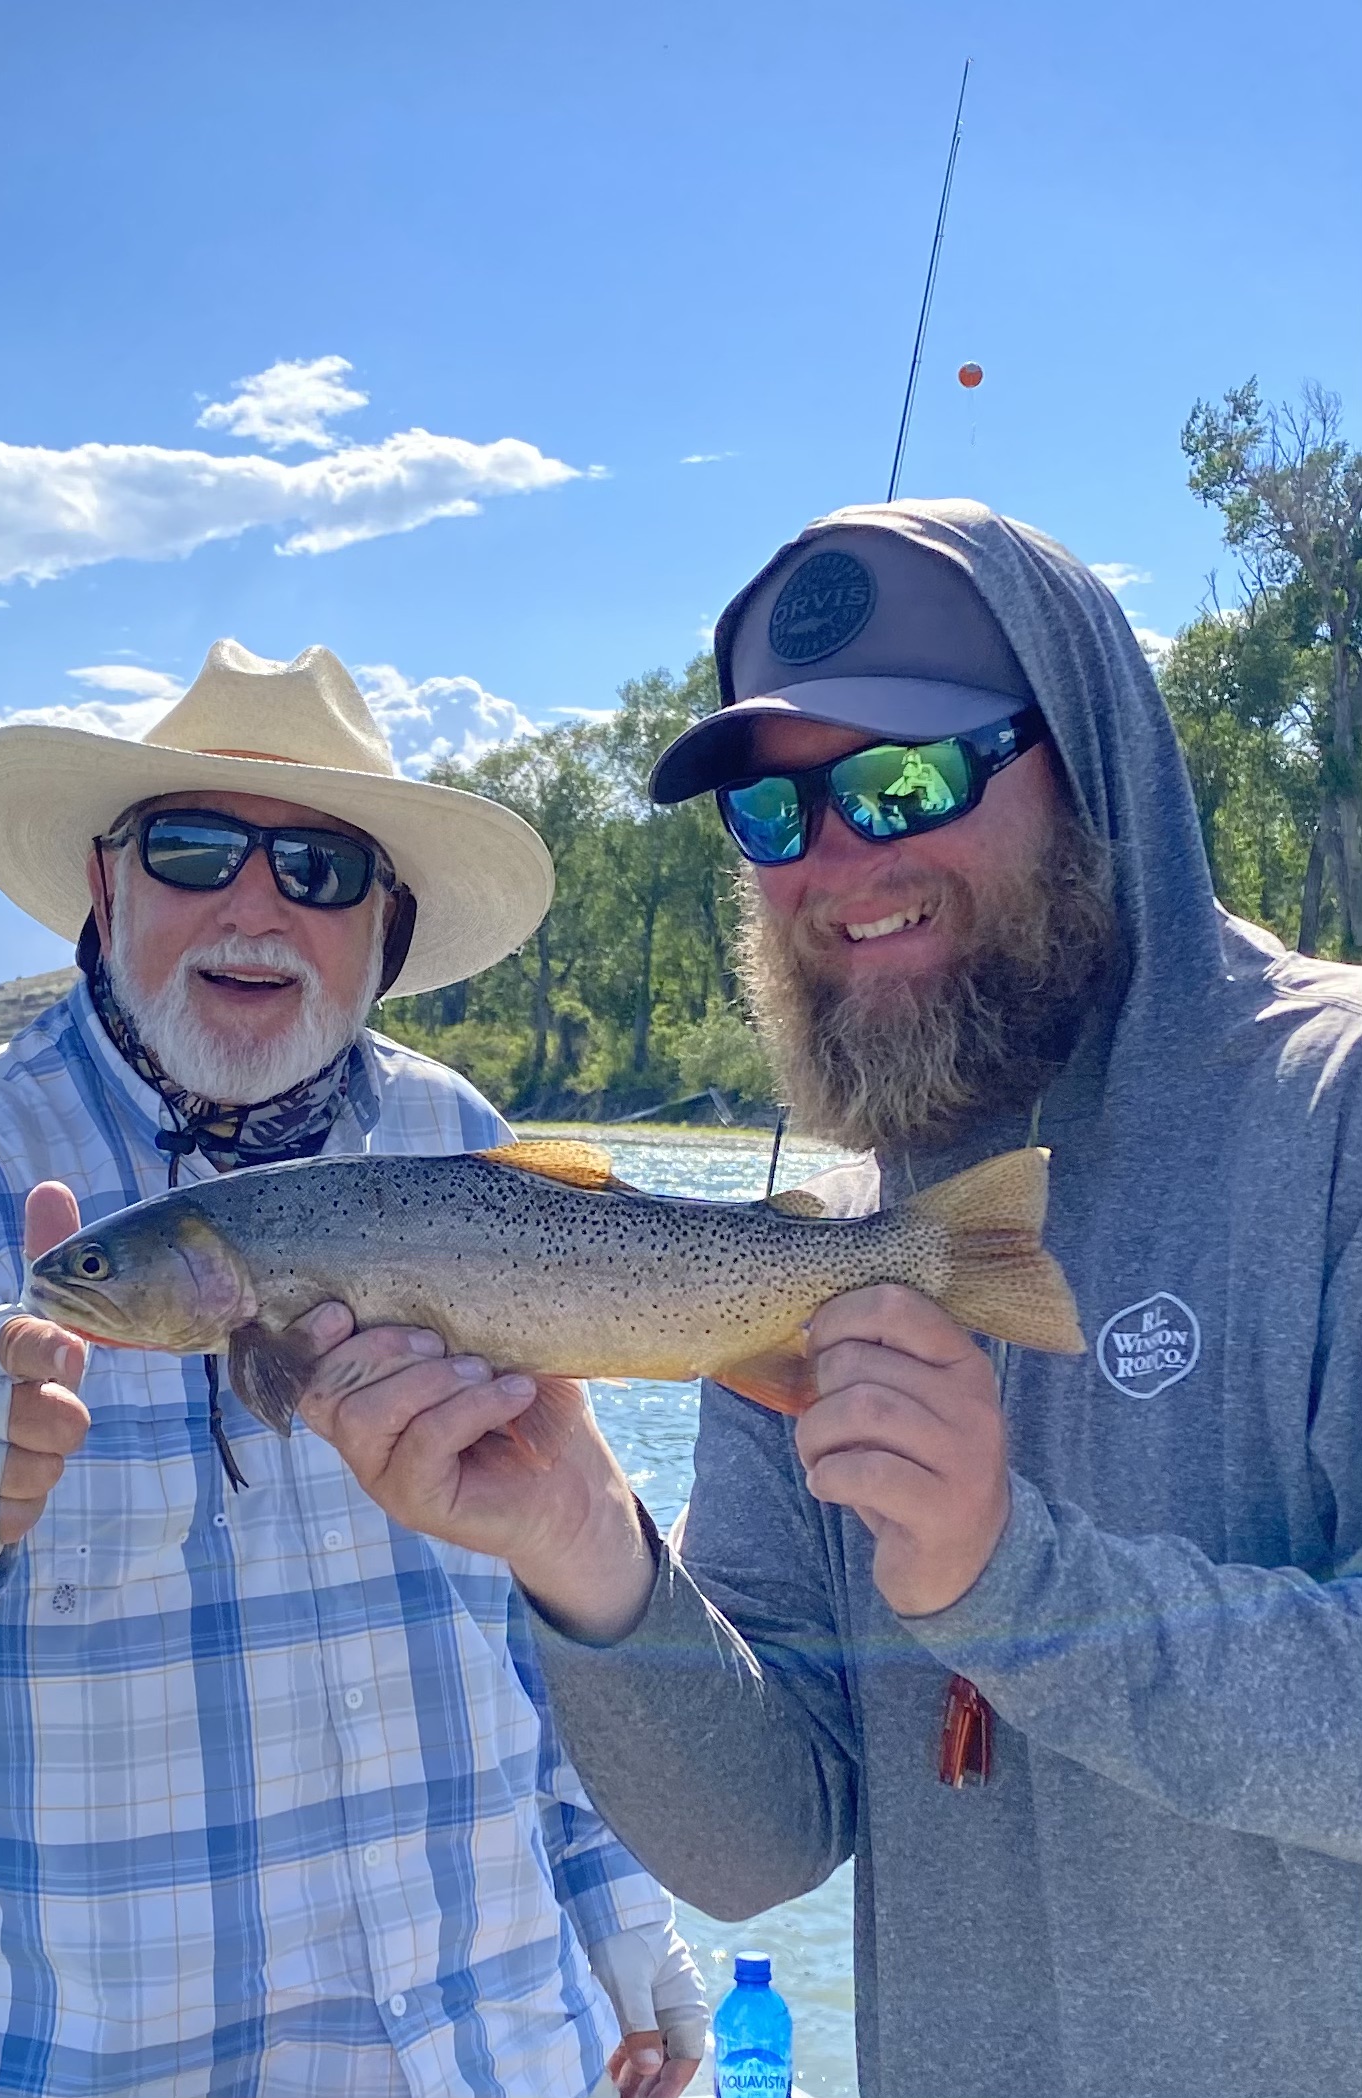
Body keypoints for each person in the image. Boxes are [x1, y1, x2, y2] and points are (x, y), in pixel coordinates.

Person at [293, 502, 1362, 2098]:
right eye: (774, 815)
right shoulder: (820, 1249)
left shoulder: (1329, 1115)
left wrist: (1006, 1575)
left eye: (904, 779)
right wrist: (584, 1547)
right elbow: (758, 1840)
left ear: (1087, 756)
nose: (840, 863)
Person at [0, 639, 704, 2098]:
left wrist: (628, 1931)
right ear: (107, 889)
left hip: (499, 2046)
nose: (254, 903)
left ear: (384, 928)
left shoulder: (459, 1142)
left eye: (320, 868)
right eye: (195, 846)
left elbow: (542, 1579)